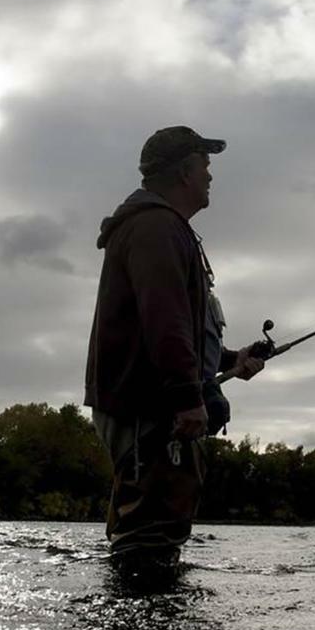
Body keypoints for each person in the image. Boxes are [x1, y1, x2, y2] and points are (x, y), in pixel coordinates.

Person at [85, 126, 264, 584]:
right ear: (185, 171)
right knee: (150, 540)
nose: (210, 176)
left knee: (148, 534)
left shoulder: (162, 228)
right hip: (151, 410)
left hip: (152, 404)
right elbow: (163, 320)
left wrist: (226, 361)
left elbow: (175, 325)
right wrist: (188, 397)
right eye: (205, 165)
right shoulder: (156, 228)